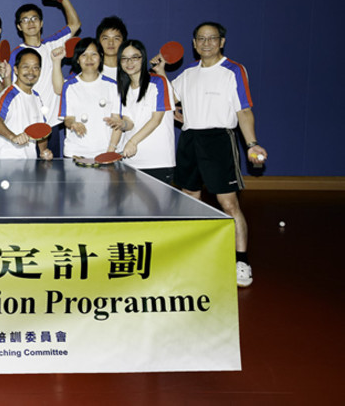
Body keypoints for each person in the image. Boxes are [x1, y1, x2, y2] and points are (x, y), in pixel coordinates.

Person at [157, 21, 268, 288]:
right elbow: (167, 100)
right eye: (201, 39)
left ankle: (241, 260)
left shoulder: (234, 71)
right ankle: (190, 254)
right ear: (194, 44)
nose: (206, 43)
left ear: (222, 42)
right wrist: (161, 73)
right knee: (189, 201)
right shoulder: (187, 74)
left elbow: (243, 111)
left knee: (229, 205)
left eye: (212, 38)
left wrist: (252, 143)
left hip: (219, 139)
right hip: (190, 139)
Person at [9, 0, 82, 132]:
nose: (31, 23)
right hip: (27, 123)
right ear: (19, 26)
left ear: (41, 23)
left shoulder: (53, 44)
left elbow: (75, 24)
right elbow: (11, 89)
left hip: (52, 123)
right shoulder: (16, 54)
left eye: (34, 18)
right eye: (25, 20)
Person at [115, 39, 175, 183]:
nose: (129, 62)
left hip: (157, 162)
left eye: (134, 57)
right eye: (124, 58)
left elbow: (156, 120)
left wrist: (132, 141)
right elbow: (130, 122)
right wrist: (121, 124)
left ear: (143, 58)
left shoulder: (159, 82)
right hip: (131, 162)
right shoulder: (123, 89)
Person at [57, 38, 123, 159]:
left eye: (94, 54)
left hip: (104, 153)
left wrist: (110, 151)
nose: (89, 59)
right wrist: (74, 124)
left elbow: (117, 122)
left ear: (101, 57)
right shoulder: (69, 86)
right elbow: (68, 119)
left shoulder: (113, 86)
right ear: (77, 59)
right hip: (75, 153)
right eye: (84, 55)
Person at [0, 48, 54, 160]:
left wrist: (43, 151)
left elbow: (41, 132)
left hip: (29, 164)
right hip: (7, 163)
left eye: (35, 68)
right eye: (26, 67)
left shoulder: (37, 98)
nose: (31, 72)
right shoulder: (9, 94)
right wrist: (13, 137)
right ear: (16, 70)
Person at [96, 15, 129, 80]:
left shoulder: (131, 69)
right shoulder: (91, 70)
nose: (111, 43)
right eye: (105, 38)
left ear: (123, 41)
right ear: (98, 41)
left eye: (116, 38)